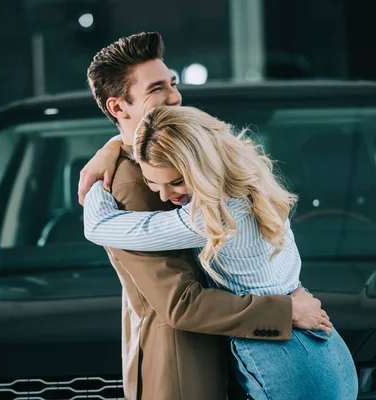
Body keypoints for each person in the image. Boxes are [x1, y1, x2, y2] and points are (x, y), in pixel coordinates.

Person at [82, 31, 332, 400]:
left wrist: (115, 142)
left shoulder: (190, 155)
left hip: (234, 355)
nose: (174, 96)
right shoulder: (134, 184)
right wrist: (285, 312)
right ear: (119, 108)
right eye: (156, 89)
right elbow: (180, 303)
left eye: (173, 83)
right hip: (189, 369)